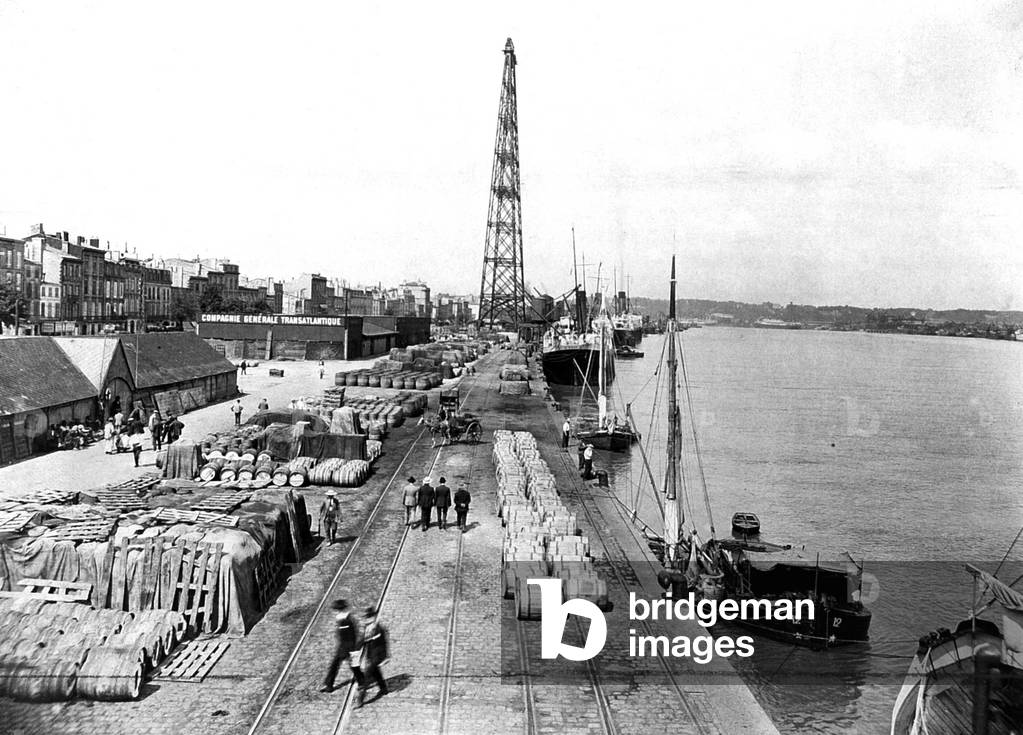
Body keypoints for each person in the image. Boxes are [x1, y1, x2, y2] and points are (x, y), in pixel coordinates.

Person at [321, 599, 365, 694]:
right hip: (342, 647)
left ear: (340, 609)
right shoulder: (342, 618)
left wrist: (351, 650)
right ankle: (329, 685)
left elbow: (353, 635)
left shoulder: (347, 620)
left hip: (349, 648)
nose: (335, 612)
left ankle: (362, 682)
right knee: (334, 665)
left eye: (336, 609)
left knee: (354, 667)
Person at [359, 606, 390, 704]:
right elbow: (363, 641)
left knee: (366, 677)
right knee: (376, 673)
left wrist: (386, 657)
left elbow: (384, 643)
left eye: (370, 617)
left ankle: (360, 699)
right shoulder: (367, 628)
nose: (368, 619)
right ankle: (384, 688)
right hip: (370, 655)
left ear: (374, 617)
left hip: (377, 656)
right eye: (367, 617)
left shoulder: (379, 629)